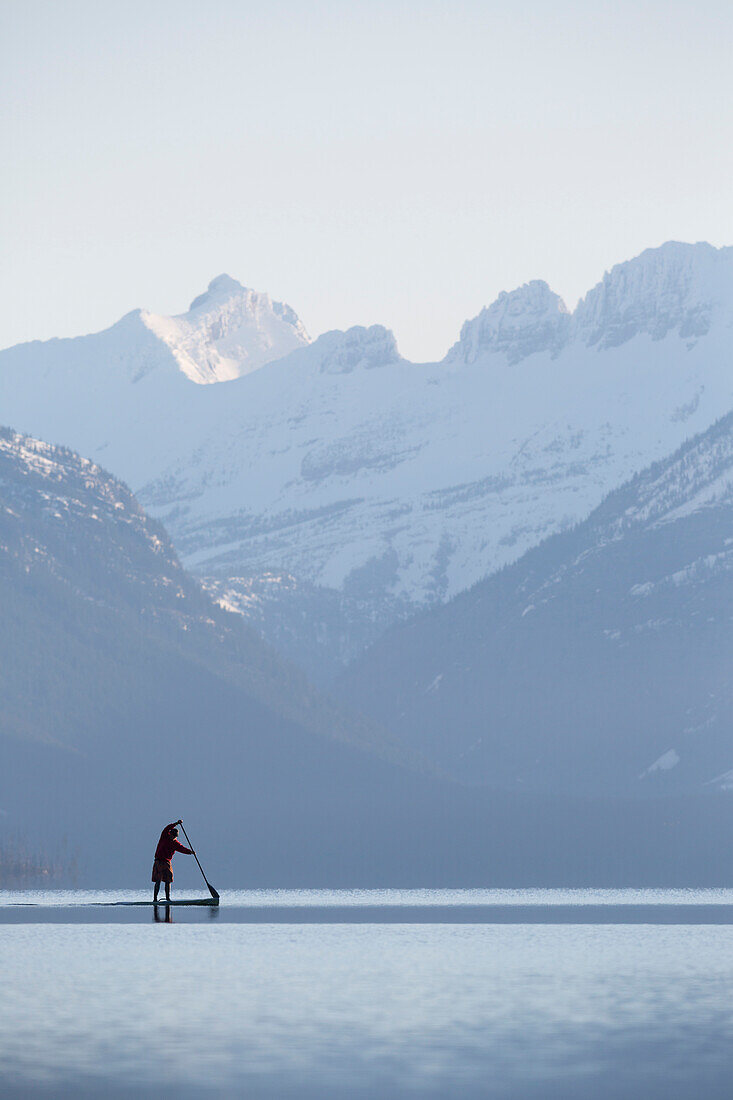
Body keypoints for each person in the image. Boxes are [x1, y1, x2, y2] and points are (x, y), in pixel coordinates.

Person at [152, 820, 193, 902]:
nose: (173, 837)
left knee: (168, 880)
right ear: (170, 834)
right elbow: (167, 828)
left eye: (175, 836)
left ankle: (168, 898)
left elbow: (182, 849)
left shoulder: (175, 843)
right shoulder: (164, 836)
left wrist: (190, 852)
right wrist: (176, 824)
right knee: (158, 880)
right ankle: (155, 899)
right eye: (172, 835)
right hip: (159, 861)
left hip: (167, 862)